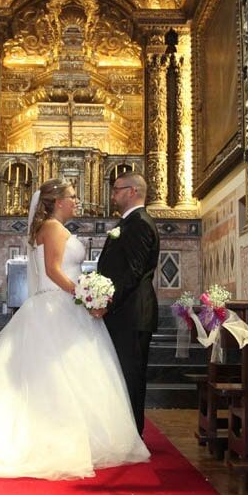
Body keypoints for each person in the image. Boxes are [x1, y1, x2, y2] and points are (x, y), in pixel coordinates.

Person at [0, 178, 150, 479]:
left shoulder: (53, 228)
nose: (77, 201)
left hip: (65, 305)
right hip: (58, 306)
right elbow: (53, 270)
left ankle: (80, 436)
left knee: (72, 377)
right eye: (72, 196)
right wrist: (83, 294)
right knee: (58, 375)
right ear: (58, 201)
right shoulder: (51, 228)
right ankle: (56, 439)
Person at [95, 172, 160, 436]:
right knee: (121, 373)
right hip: (125, 312)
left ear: (132, 191)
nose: (113, 195)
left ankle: (133, 433)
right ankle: (124, 431)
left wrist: (108, 303)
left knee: (131, 375)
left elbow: (133, 272)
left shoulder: (140, 223)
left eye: (117, 189)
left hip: (131, 312)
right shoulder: (130, 222)